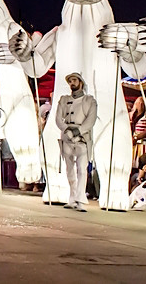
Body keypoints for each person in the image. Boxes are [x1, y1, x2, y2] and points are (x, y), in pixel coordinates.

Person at [54, 72, 97, 212]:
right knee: (69, 170)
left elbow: (91, 119)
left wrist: (79, 131)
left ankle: (80, 199)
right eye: (70, 81)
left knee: (82, 169)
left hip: (82, 138)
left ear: (80, 82)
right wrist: (66, 130)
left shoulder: (89, 100)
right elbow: (58, 118)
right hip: (67, 137)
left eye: (74, 80)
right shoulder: (64, 100)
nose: (72, 83)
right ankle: (72, 197)